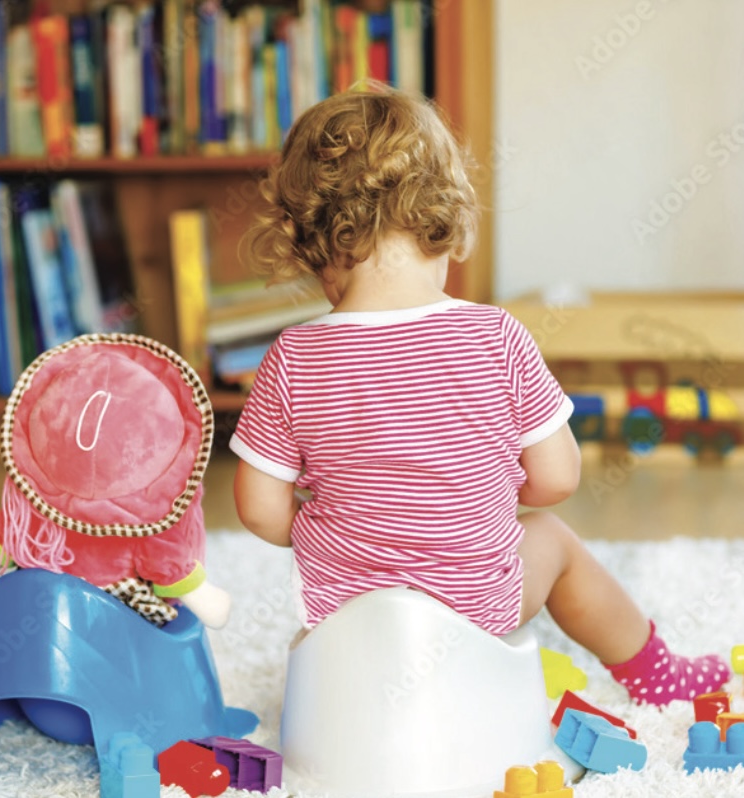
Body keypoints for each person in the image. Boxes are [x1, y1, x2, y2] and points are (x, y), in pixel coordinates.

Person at [229, 86, 728, 706]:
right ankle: (657, 673)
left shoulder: (294, 356)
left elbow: (257, 508)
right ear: (440, 221)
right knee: (555, 540)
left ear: (317, 245)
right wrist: (477, 494)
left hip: (345, 621)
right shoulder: (496, 336)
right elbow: (558, 477)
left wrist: (332, 515)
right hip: (477, 609)